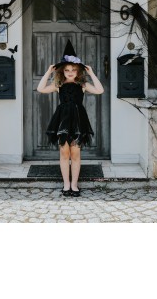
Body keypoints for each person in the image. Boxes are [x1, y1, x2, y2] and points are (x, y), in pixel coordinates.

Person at [36, 40, 104, 197]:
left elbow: (100, 90)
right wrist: (48, 72)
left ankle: (74, 184)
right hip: (62, 121)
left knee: (75, 154)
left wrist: (91, 73)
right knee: (64, 153)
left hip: (78, 121)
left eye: (73, 69)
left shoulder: (82, 84)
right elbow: (40, 88)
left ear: (78, 70)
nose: (70, 72)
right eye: (67, 70)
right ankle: (66, 184)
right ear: (62, 71)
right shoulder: (59, 85)